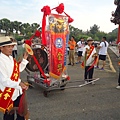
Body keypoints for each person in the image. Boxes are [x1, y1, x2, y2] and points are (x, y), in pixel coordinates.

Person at [0, 36, 29, 120]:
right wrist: (19, 83)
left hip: (17, 91)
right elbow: (4, 80)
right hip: (8, 93)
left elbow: (17, 71)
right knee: (9, 116)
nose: (11, 49)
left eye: (12, 46)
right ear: (1, 48)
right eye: (9, 47)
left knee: (21, 114)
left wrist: (24, 60)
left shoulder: (10, 58)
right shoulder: (1, 61)